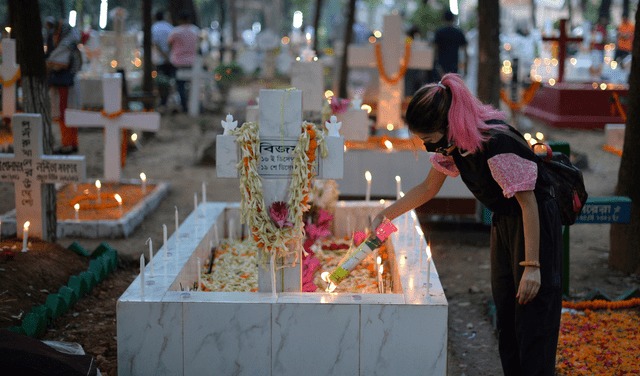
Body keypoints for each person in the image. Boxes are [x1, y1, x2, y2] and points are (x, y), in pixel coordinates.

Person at [372, 74, 563, 376]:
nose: (427, 146)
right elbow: (427, 189)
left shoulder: (495, 144)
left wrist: (532, 266)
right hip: (505, 222)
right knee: (507, 312)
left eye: (429, 138)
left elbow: (529, 204)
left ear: (448, 126)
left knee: (534, 319)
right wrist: (386, 215)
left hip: (534, 226)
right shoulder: (456, 145)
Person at [45, 18, 82, 154]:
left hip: (64, 87)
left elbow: (56, 62)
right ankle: (72, 143)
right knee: (70, 115)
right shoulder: (71, 43)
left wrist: (48, 64)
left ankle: (68, 144)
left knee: (65, 116)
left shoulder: (66, 45)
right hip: (68, 85)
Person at [167, 11, 199, 114]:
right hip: (192, 62)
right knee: (192, 86)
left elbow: (169, 44)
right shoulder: (195, 30)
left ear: (180, 20)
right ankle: (193, 105)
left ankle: (185, 107)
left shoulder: (175, 31)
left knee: (180, 86)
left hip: (178, 62)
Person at [433, 10, 467, 81]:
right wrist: (465, 67)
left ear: (443, 18)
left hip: (441, 66)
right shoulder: (458, 32)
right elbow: (465, 50)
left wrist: (435, 64)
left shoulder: (439, 32)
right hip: (454, 66)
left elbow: (435, 50)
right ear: (453, 19)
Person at [151, 10, 175, 108]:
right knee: (169, 81)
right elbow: (172, 43)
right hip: (170, 59)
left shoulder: (153, 28)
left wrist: (163, 55)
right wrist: (168, 55)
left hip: (159, 60)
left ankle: (162, 101)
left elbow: (155, 44)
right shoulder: (170, 27)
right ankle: (167, 100)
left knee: (160, 81)